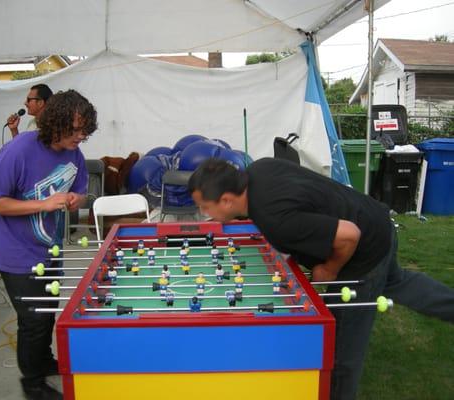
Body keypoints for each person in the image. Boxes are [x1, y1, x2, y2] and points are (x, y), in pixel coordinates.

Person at [188, 157, 454, 400]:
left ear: (226, 200)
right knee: (398, 282)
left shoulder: (274, 218)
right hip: (376, 220)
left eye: (204, 207)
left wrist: (330, 269)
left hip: (363, 251)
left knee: (341, 347)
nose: (203, 212)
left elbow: (349, 234)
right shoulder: (259, 169)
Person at [0, 89, 98, 400]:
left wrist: (76, 200)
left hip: (50, 250)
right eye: (76, 129)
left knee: (48, 313)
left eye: (85, 130)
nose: (81, 136)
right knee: (33, 321)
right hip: (16, 252)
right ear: (56, 121)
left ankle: (44, 361)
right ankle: (32, 383)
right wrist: (43, 205)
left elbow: (82, 192)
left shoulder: (73, 154)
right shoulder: (18, 151)